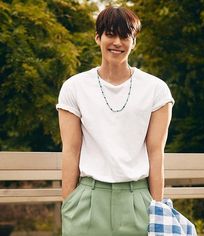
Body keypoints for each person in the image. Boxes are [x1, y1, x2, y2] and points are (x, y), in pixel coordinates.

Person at [56, 6, 174, 236]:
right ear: (98, 38)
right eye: (110, 34)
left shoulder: (156, 89)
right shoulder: (74, 87)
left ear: (134, 42)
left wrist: (158, 208)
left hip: (137, 199)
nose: (117, 42)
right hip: (87, 200)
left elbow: (156, 152)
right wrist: (68, 204)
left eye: (125, 36)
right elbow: (71, 149)